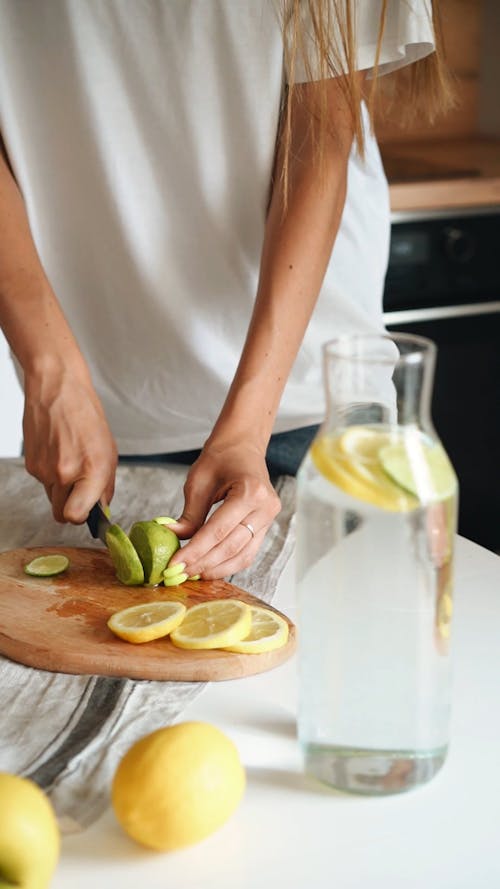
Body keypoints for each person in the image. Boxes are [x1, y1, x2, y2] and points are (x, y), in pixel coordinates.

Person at [0, 1, 452, 579]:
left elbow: (319, 144)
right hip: (107, 407)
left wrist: (246, 428)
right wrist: (51, 371)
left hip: (306, 400)